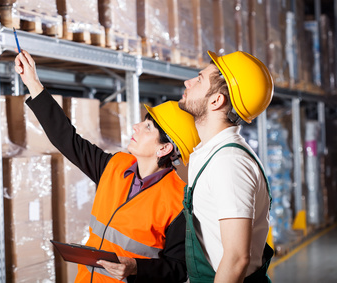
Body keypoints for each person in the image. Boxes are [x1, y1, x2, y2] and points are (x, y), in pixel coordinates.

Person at [14, 49, 200, 283]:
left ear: (164, 149)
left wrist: (136, 268)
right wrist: (32, 82)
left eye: (148, 128)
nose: (136, 127)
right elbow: (67, 139)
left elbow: (178, 269)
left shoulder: (178, 203)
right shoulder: (116, 166)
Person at [178, 50, 274, 283]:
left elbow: (236, 258)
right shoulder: (212, 152)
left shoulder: (228, 163)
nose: (187, 82)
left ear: (216, 100)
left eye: (199, 79)